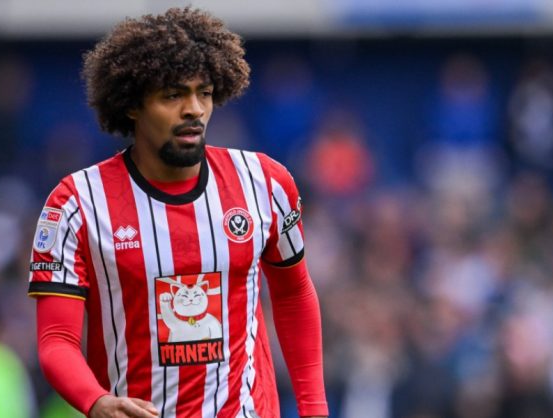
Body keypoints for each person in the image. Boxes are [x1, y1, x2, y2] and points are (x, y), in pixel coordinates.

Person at [28, 7, 328, 418]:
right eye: (173, 95)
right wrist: (95, 401)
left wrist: (314, 408)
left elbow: (293, 294)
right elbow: (56, 339)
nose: (194, 109)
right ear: (132, 105)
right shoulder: (77, 204)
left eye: (204, 93)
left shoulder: (264, 182)